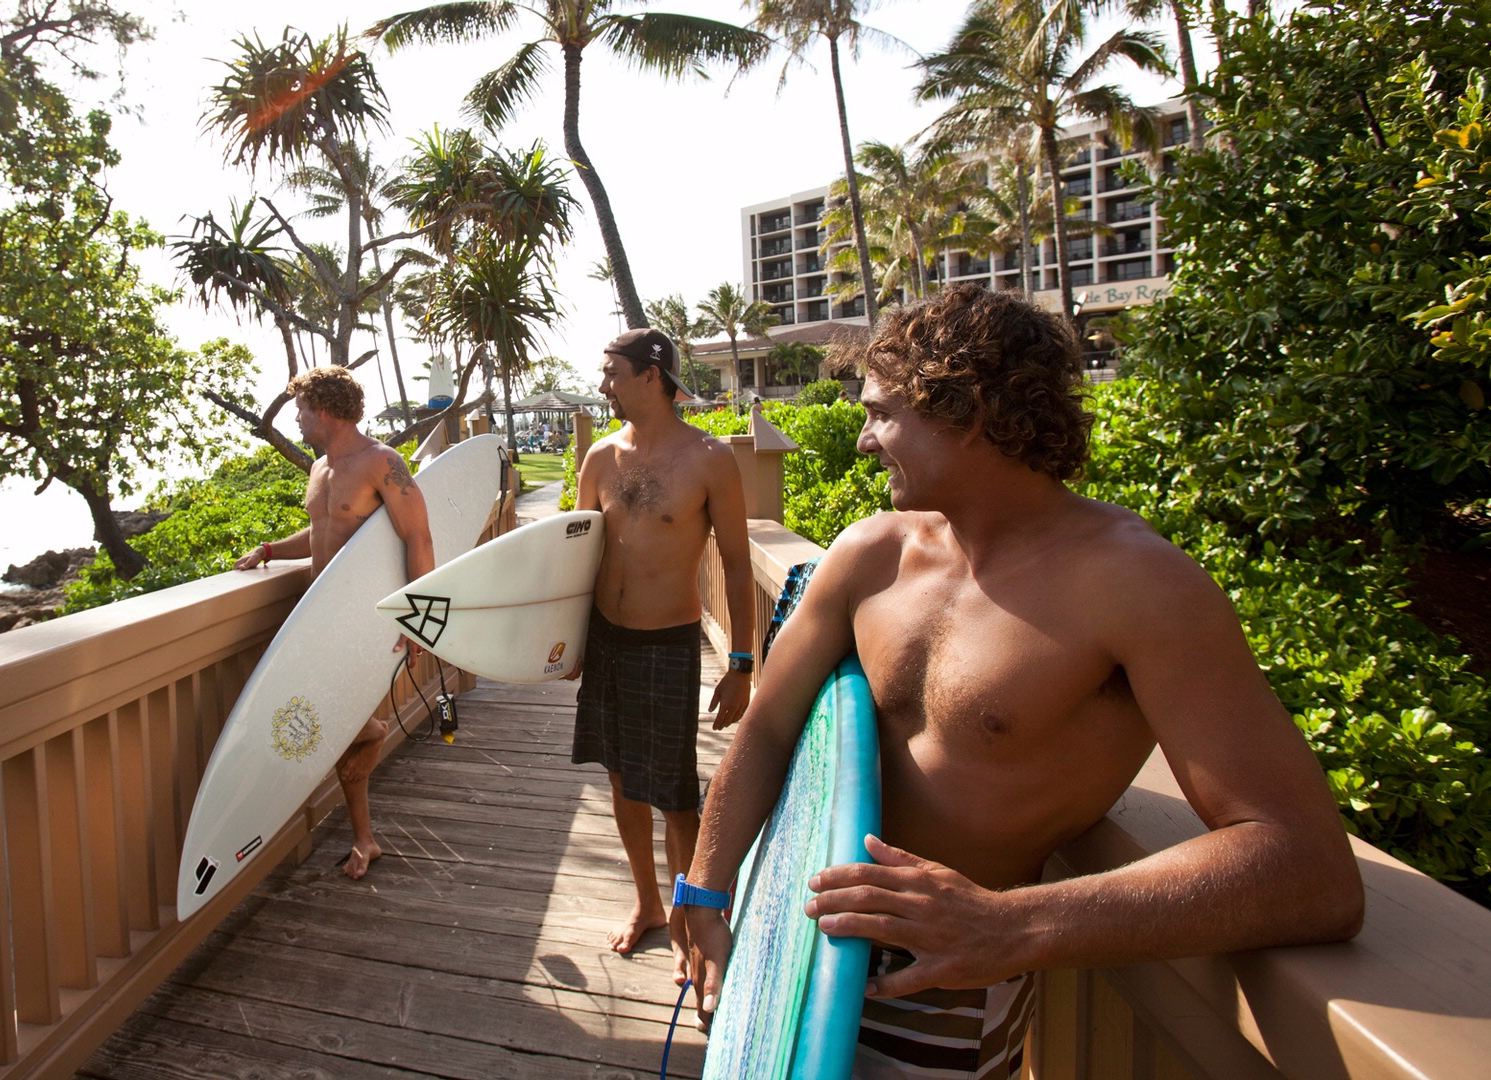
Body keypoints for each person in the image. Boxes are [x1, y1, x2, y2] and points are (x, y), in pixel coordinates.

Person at [682, 285, 1364, 1078]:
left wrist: (1008, 926)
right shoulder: (872, 553)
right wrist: (705, 886)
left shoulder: (1137, 585)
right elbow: (769, 724)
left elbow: (1308, 867)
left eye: (882, 413)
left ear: (966, 409)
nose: (865, 441)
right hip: (790, 948)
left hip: (945, 984)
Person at [569, 327, 757, 983]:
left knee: (675, 796)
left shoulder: (709, 459)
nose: (603, 384)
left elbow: (736, 566)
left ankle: (685, 920)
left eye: (612, 372)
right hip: (606, 640)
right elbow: (575, 556)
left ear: (652, 375)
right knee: (621, 778)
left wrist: (741, 664)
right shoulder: (599, 458)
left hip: (668, 641)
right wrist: (564, 641)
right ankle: (647, 901)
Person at [234, 366, 433, 880]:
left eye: (300, 410)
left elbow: (420, 538)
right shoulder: (320, 469)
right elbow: (323, 529)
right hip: (317, 617)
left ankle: (365, 820)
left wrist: (418, 620)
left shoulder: (382, 462)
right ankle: (365, 829)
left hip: (362, 618)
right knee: (333, 725)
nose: (297, 420)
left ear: (323, 410)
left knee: (332, 723)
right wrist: (272, 549)